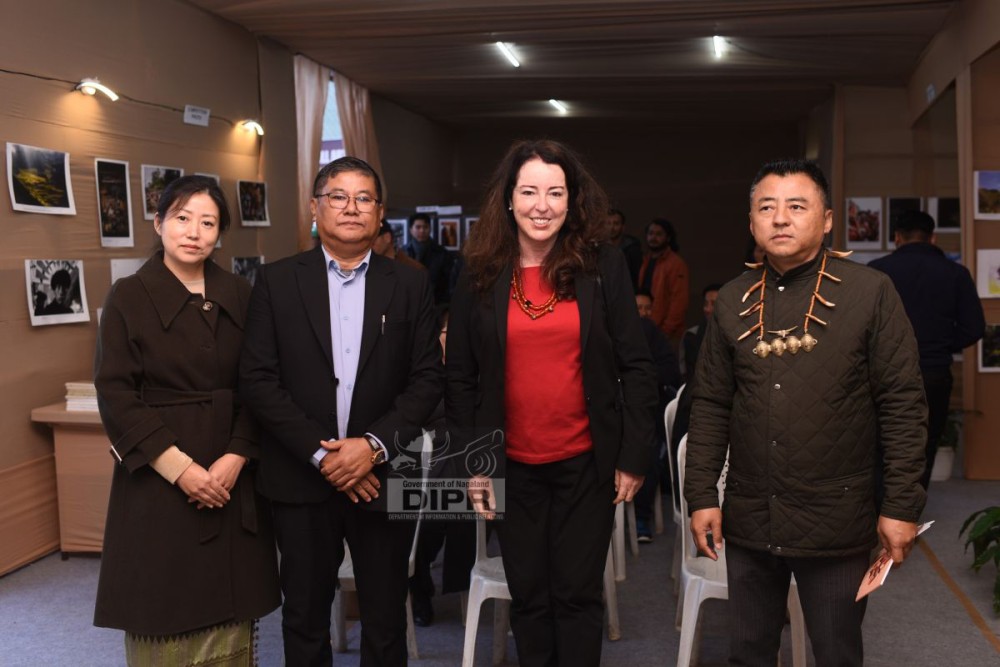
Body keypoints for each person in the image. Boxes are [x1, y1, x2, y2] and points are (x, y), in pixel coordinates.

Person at [684, 158, 927, 666]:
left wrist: (901, 505)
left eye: (797, 206)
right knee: (748, 651)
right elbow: (709, 404)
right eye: (766, 207)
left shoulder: (870, 293)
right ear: (751, 221)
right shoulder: (731, 301)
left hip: (836, 516)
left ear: (828, 219)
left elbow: (903, 404)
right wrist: (702, 493)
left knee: (837, 652)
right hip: (751, 514)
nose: (780, 218)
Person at [447, 139, 657, 666]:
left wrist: (634, 456)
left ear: (573, 201)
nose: (543, 205)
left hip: (586, 463)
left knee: (577, 594)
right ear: (509, 200)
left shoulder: (602, 265)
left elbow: (636, 365)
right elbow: (461, 378)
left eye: (556, 192)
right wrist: (474, 467)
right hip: (511, 464)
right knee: (530, 598)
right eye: (530, 191)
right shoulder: (478, 271)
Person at [239, 156, 444, 666]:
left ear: (380, 215)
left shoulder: (411, 284)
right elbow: (258, 380)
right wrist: (324, 455)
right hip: (300, 477)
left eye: (364, 199)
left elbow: (427, 380)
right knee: (304, 618)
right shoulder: (275, 281)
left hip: (384, 475)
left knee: (384, 618)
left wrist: (371, 449)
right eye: (338, 196)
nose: (351, 208)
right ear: (315, 207)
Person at [93, 175, 280, 665]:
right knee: (164, 604)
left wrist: (238, 454)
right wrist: (181, 469)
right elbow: (115, 392)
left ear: (219, 234)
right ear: (158, 223)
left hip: (232, 471)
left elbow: (260, 383)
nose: (193, 231)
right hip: (159, 477)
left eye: (208, 222)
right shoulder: (128, 296)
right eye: (181, 218)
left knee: (231, 606)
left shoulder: (241, 292)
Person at [869, 210, 985, 490]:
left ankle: (878, 509)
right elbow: (974, 327)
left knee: (880, 443)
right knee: (926, 442)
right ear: (932, 237)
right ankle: (910, 513)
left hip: (884, 370)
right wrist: (943, 343)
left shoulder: (876, 270)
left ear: (897, 238)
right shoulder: (955, 273)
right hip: (933, 370)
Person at [631, 289, 681, 542]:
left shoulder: (649, 332)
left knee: (645, 451)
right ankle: (490, 527)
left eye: (646, 308)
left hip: (644, 412)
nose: (642, 313)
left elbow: (670, 371)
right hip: (610, 414)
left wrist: (638, 381)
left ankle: (641, 518)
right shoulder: (603, 328)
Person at [637, 217, 690, 343]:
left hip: (666, 334)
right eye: (650, 233)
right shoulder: (646, 261)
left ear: (668, 237)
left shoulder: (676, 264)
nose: (653, 238)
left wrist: (665, 331)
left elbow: (679, 302)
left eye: (658, 234)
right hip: (647, 329)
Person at [403, 212, 453, 304]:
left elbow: (448, 283)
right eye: (418, 227)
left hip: (435, 303)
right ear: (411, 229)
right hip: (407, 303)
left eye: (425, 227)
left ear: (430, 229)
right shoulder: (402, 253)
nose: (422, 230)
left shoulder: (441, 253)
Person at [678, 283, 722, 383]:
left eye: (714, 304)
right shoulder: (692, 336)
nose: (707, 309)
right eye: (706, 304)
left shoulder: (735, 335)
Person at [608, 208, 642, 289]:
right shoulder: (599, 248)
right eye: (608, 223)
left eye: (616, 224)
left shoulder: (632, 249)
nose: (612, 228)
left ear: (623, 227)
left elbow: (637, 277)